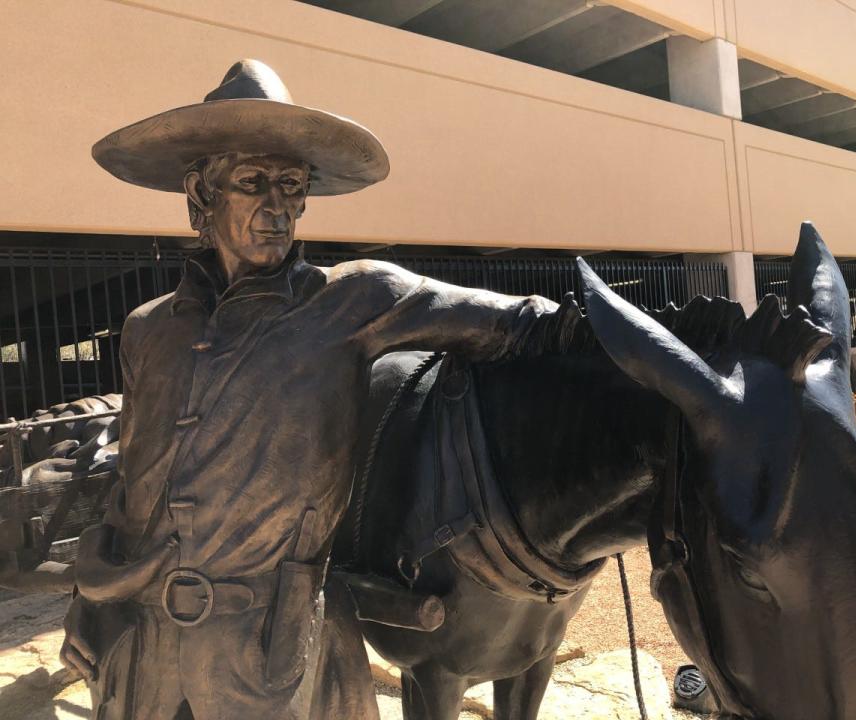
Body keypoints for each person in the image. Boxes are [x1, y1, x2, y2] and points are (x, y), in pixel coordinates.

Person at [60, 59, 578, 719]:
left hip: (275, 659)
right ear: (199, 195)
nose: (278, 208)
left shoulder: (355, 301)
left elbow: (525, 326)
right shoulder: (148, 331)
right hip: (144, 658)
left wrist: (666, 349)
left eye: (292, 185)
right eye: (253, 182)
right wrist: (90, 602)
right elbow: (132, 491)